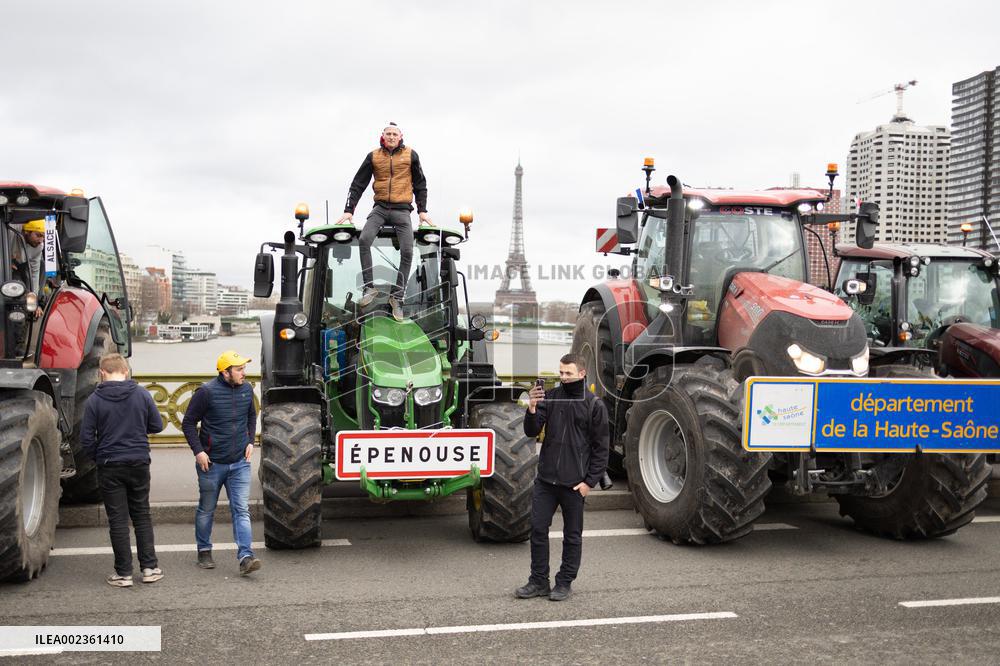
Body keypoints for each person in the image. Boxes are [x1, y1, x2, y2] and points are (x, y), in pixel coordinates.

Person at [516, 353, 610, 602]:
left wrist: (589, 482)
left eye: (568, 373)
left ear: (582, 374)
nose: (564, 377)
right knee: (537, 530)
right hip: (546, 480)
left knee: (572, 536)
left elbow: (602, 449)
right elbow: (531, 430)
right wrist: (532, 408)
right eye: (561, 372)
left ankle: (564, 582)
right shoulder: (550, 397)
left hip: (574, 484)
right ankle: (538, 581)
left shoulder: (594, 405)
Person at [80, 353, 165, 587]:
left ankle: (124, 573)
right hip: (139, 462)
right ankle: (149, 568)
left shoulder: (94, 400)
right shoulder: (142, 394)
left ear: (102, 373)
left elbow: (86, 439)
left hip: (110, 465)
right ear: (126, 371)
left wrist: (100, 457)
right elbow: (157, 425)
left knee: (117, 520)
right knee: (142, 515)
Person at [337, 121, 432, 322]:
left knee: (407, 251)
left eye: (394, 134)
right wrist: (348, 210)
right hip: (380, 208)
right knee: (364, 239)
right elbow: (358, 183)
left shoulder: (411, 155)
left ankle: (397, 297)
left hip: (402, 210)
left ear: (400, 137)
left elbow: (420, 184)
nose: (391, 137)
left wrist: (422, 211)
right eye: (388, 133)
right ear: (383, 136)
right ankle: (369, 288)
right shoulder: (373, 156)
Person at [181, 350, 261, 576]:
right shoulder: (206, 392)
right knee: (207, 509)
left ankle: (246, 557)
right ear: (225, 372)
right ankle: (204, 550)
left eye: (244, 368)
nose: (244, 373)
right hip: (212, 464)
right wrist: (198, 451)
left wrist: (250, 441)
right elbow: (188, 423)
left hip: (240, 463)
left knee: (241, 510)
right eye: (239, 369)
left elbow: (251, 416)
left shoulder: (247, 389)